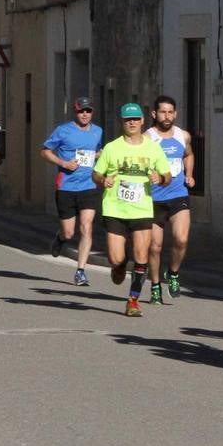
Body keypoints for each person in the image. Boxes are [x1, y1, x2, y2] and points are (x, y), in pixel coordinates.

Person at [92, 102, 171, 318]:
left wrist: (160, 178)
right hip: (115, 209)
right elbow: (96, 174)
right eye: (128, 119)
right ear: (122, 122)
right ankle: (118, 266)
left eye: (136, 118)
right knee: (117, 259)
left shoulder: (153, 148)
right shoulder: (112, 148)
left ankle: (133, 301)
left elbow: (168, 176)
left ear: (143, 120)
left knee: (141, 255)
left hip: (142, 209)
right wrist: (103, 179)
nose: (132, 122)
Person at [42, 97, 104, 286]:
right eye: (81, 111)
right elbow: (45, 151)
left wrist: (99, 156)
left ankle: (80, 271)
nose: (85, 114)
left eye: (88, 111)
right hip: (66, 187)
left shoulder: (98, 131)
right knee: (69, 233)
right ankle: (60, 238)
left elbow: (99, 151)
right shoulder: (63, 130)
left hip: (89, 186)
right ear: (75, 112)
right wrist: (63, 163)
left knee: (86, 227)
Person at [145, 95, 195, 304]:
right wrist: (149, 174)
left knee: (181, 239)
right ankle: (155, 285)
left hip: (178, 194)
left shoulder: (183, 135)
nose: (167, 116)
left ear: (175, 113)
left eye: (170, 112)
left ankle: (173, 273)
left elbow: (188, 155)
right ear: (154, 114)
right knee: (155, 246)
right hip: (154, 198)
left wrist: (189, 174)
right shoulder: (147, 138)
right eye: (163, 112)